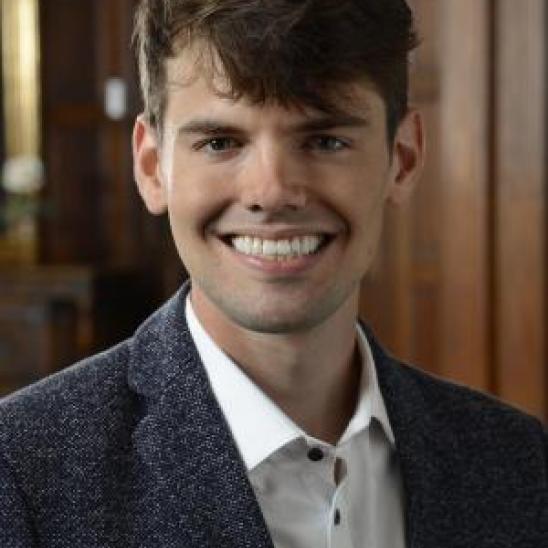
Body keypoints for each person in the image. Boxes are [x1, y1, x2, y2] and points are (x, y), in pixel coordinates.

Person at [1, 0, 546, 546]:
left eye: (324, 140)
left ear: (401, 159)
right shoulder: (22, 473)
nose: (272, 192)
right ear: (152, 167)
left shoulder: (520, 462)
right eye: (220, 142)